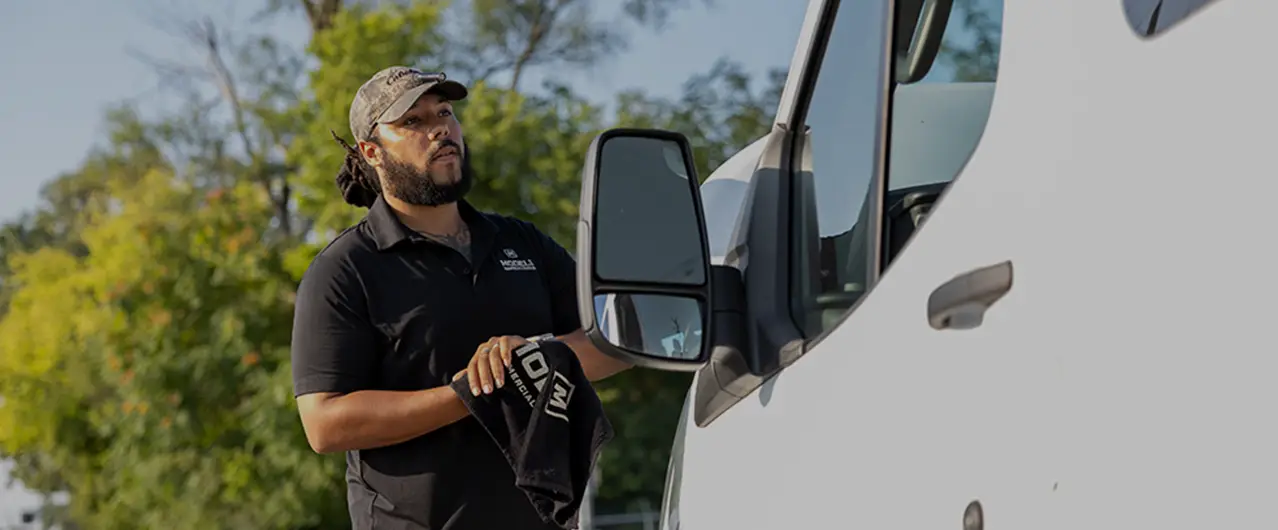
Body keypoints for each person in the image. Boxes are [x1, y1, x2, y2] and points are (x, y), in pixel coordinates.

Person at [289, 66, 632, 530]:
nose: (439, 129)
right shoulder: (345, 268)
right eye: (413, 121)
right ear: (372, 152)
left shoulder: (522, 242)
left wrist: (534, 358)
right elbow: (325, 424)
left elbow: (614, 345)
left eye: (445, 113)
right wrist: (470, 393)